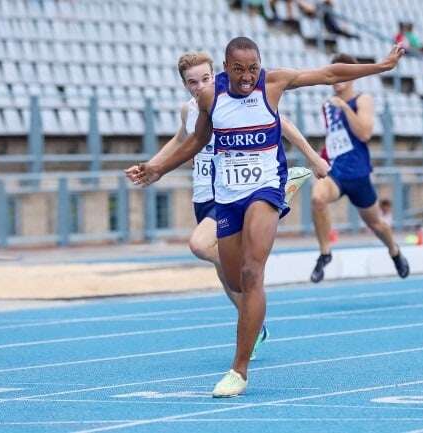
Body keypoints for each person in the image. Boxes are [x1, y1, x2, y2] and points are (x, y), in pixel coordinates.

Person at [130, 37, 405, 397]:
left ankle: (238, 370)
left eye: (253, 69)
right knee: (235, 281)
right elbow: (197, 141)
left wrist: (380, 67)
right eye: (239, 70)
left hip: (263, 188)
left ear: (261, 66)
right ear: (226, 69)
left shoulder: (272, 83)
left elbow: (328, 72)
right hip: (227, 197)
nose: (247, 77)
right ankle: (252, 321)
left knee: (251, 271)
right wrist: (158, 168)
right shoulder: (210, 97)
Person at [124, 52, 322, 360]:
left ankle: (252, 307)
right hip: (202, 195)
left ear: (215, 75)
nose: (199, 85)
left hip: (229, 191)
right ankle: (255, 321)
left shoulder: (231, 100)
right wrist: (152, 165)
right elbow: (180, 141)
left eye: (205, 78)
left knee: (200, 245)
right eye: (192, 82)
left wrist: (312, 156)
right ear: (184, 84)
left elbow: (280, 123)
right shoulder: (189, 110)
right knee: (227, 277)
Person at [309, 53, 410, 284]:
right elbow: (334, 138)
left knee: (376, 224)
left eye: (343, 74)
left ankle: (394, 250)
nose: (337, 79)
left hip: (358, 174)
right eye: (334, 74)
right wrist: (320, 160)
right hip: (336, 172)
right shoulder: (326, 106)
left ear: (352, 75)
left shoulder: (362, 100)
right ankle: (325, 253)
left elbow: (364, 133)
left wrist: (344, 107)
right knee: (317, 197)